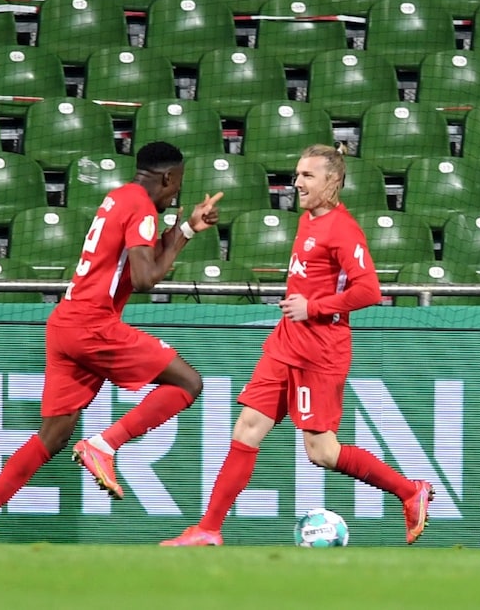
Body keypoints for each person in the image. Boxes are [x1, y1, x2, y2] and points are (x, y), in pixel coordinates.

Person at [160, 143, 434, 547]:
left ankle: (410, 491)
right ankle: (209, 528)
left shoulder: (343, 230)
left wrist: (315, 307)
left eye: (308, 175)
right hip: (286, 343)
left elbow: (370, 290)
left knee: (321, 452)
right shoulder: (308, 221)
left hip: (319, 351)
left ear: (333, 181)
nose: (297, 183)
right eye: (297, 174)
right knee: (247, 428)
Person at [0, 141, 224, 544]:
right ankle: (103, 445)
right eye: (177, 184)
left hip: (66, 322)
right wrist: (175, 233)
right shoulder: (142, 208)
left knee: (54, 435)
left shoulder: (119, 198)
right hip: (92, 324)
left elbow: (141, 264)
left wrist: (185, 229)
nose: (176, 194)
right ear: (167, 177)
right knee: (188, 383)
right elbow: (147, 278)